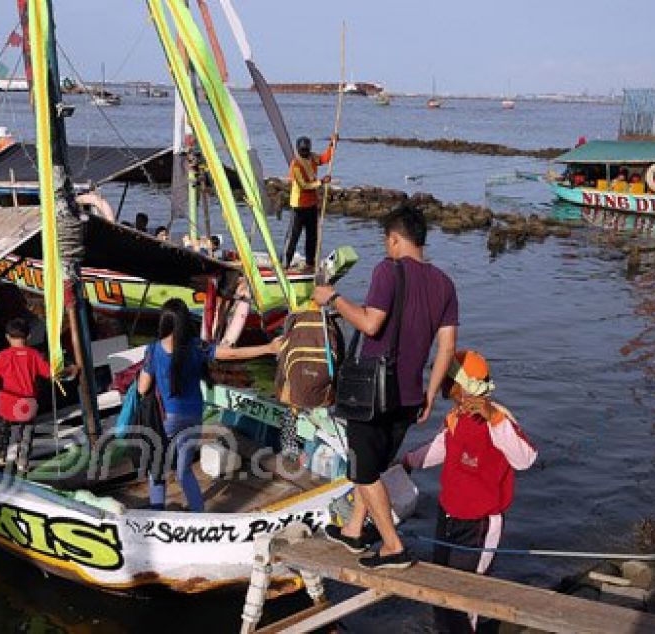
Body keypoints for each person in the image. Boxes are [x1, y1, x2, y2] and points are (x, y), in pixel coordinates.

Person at [312, 202, 458, 569]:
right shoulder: (445, 283)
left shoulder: (387, 270)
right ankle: (354, 530)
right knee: (374, 465)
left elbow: (370, 323)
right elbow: (448, 347)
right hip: (410, 396)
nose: (385, 247)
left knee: (362, 471)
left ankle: (393, 547)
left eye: (386, 240)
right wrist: (430, 392)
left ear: (395, 239)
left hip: (373, 395)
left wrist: (333, 298)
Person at [401, 350, 537, 633]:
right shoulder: (454, 416)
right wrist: (407, 462)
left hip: (480, 523)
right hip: (448, 515)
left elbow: (525, 459)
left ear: (462, 385)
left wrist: (493, 417)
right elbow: (441, 446)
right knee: (441, 586)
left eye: (445, 380)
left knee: (464, 596)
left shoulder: (498, 419)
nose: (439, 386)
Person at [137, 298, 281, 511]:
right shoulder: (197, 347)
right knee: (184, 470)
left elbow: (142, 388)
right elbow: (231, 353)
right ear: (186, 322)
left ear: (163, 323)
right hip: (194, 417)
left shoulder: (153, 350)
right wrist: (269, 347)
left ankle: (157, 513)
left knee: (158, 470)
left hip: (167, 419)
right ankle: (198, 513)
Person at [0, 317, 76, 474]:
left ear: (7, 337)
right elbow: (52, 374)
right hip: (27, 404)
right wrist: (72, 369)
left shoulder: (2, 356)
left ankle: (1, 458)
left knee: (2, 432)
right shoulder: (34, 355)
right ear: (29, 337)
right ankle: (23, 463)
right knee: (26, 434)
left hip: (7, 402)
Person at [284, 134, 338, 270]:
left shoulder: (312, 157)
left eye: (306, 150)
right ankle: (286, 263)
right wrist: (321, 182)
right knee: (294, 236)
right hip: (299, 206)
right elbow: (304, 185)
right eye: (302, 151)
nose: (305, 153)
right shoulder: (295, 165)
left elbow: (325, 158)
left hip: (312, 205)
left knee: (312, 236)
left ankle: (310, 263)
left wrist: (332, 144)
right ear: (298, 150)